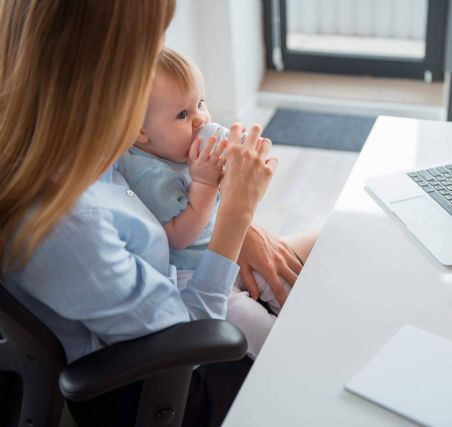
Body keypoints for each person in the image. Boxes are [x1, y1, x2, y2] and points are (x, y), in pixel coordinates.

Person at [0, 1, 314, 425]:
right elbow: (192, 333)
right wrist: (236, 216)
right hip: (177, 384)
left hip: (180, 285)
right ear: (104, 68)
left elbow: (160, 202)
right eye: (151, 46)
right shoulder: (69, 224)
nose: (160, 56)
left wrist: (240, 224)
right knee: (322, 320)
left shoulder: (71, 145)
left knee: (332, 242)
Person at [117, 47, 291, 358]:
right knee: (255, 326)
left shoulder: (179, 149)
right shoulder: (147, 173)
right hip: (192, 274)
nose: (201, 120)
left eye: (200, 103)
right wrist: (207, 184)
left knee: (284, 287)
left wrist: (235, 172)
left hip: (224, 251)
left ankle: (308, 330)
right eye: (183, 115)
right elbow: (180, 237)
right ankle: (286, 358)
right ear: (140, 131)